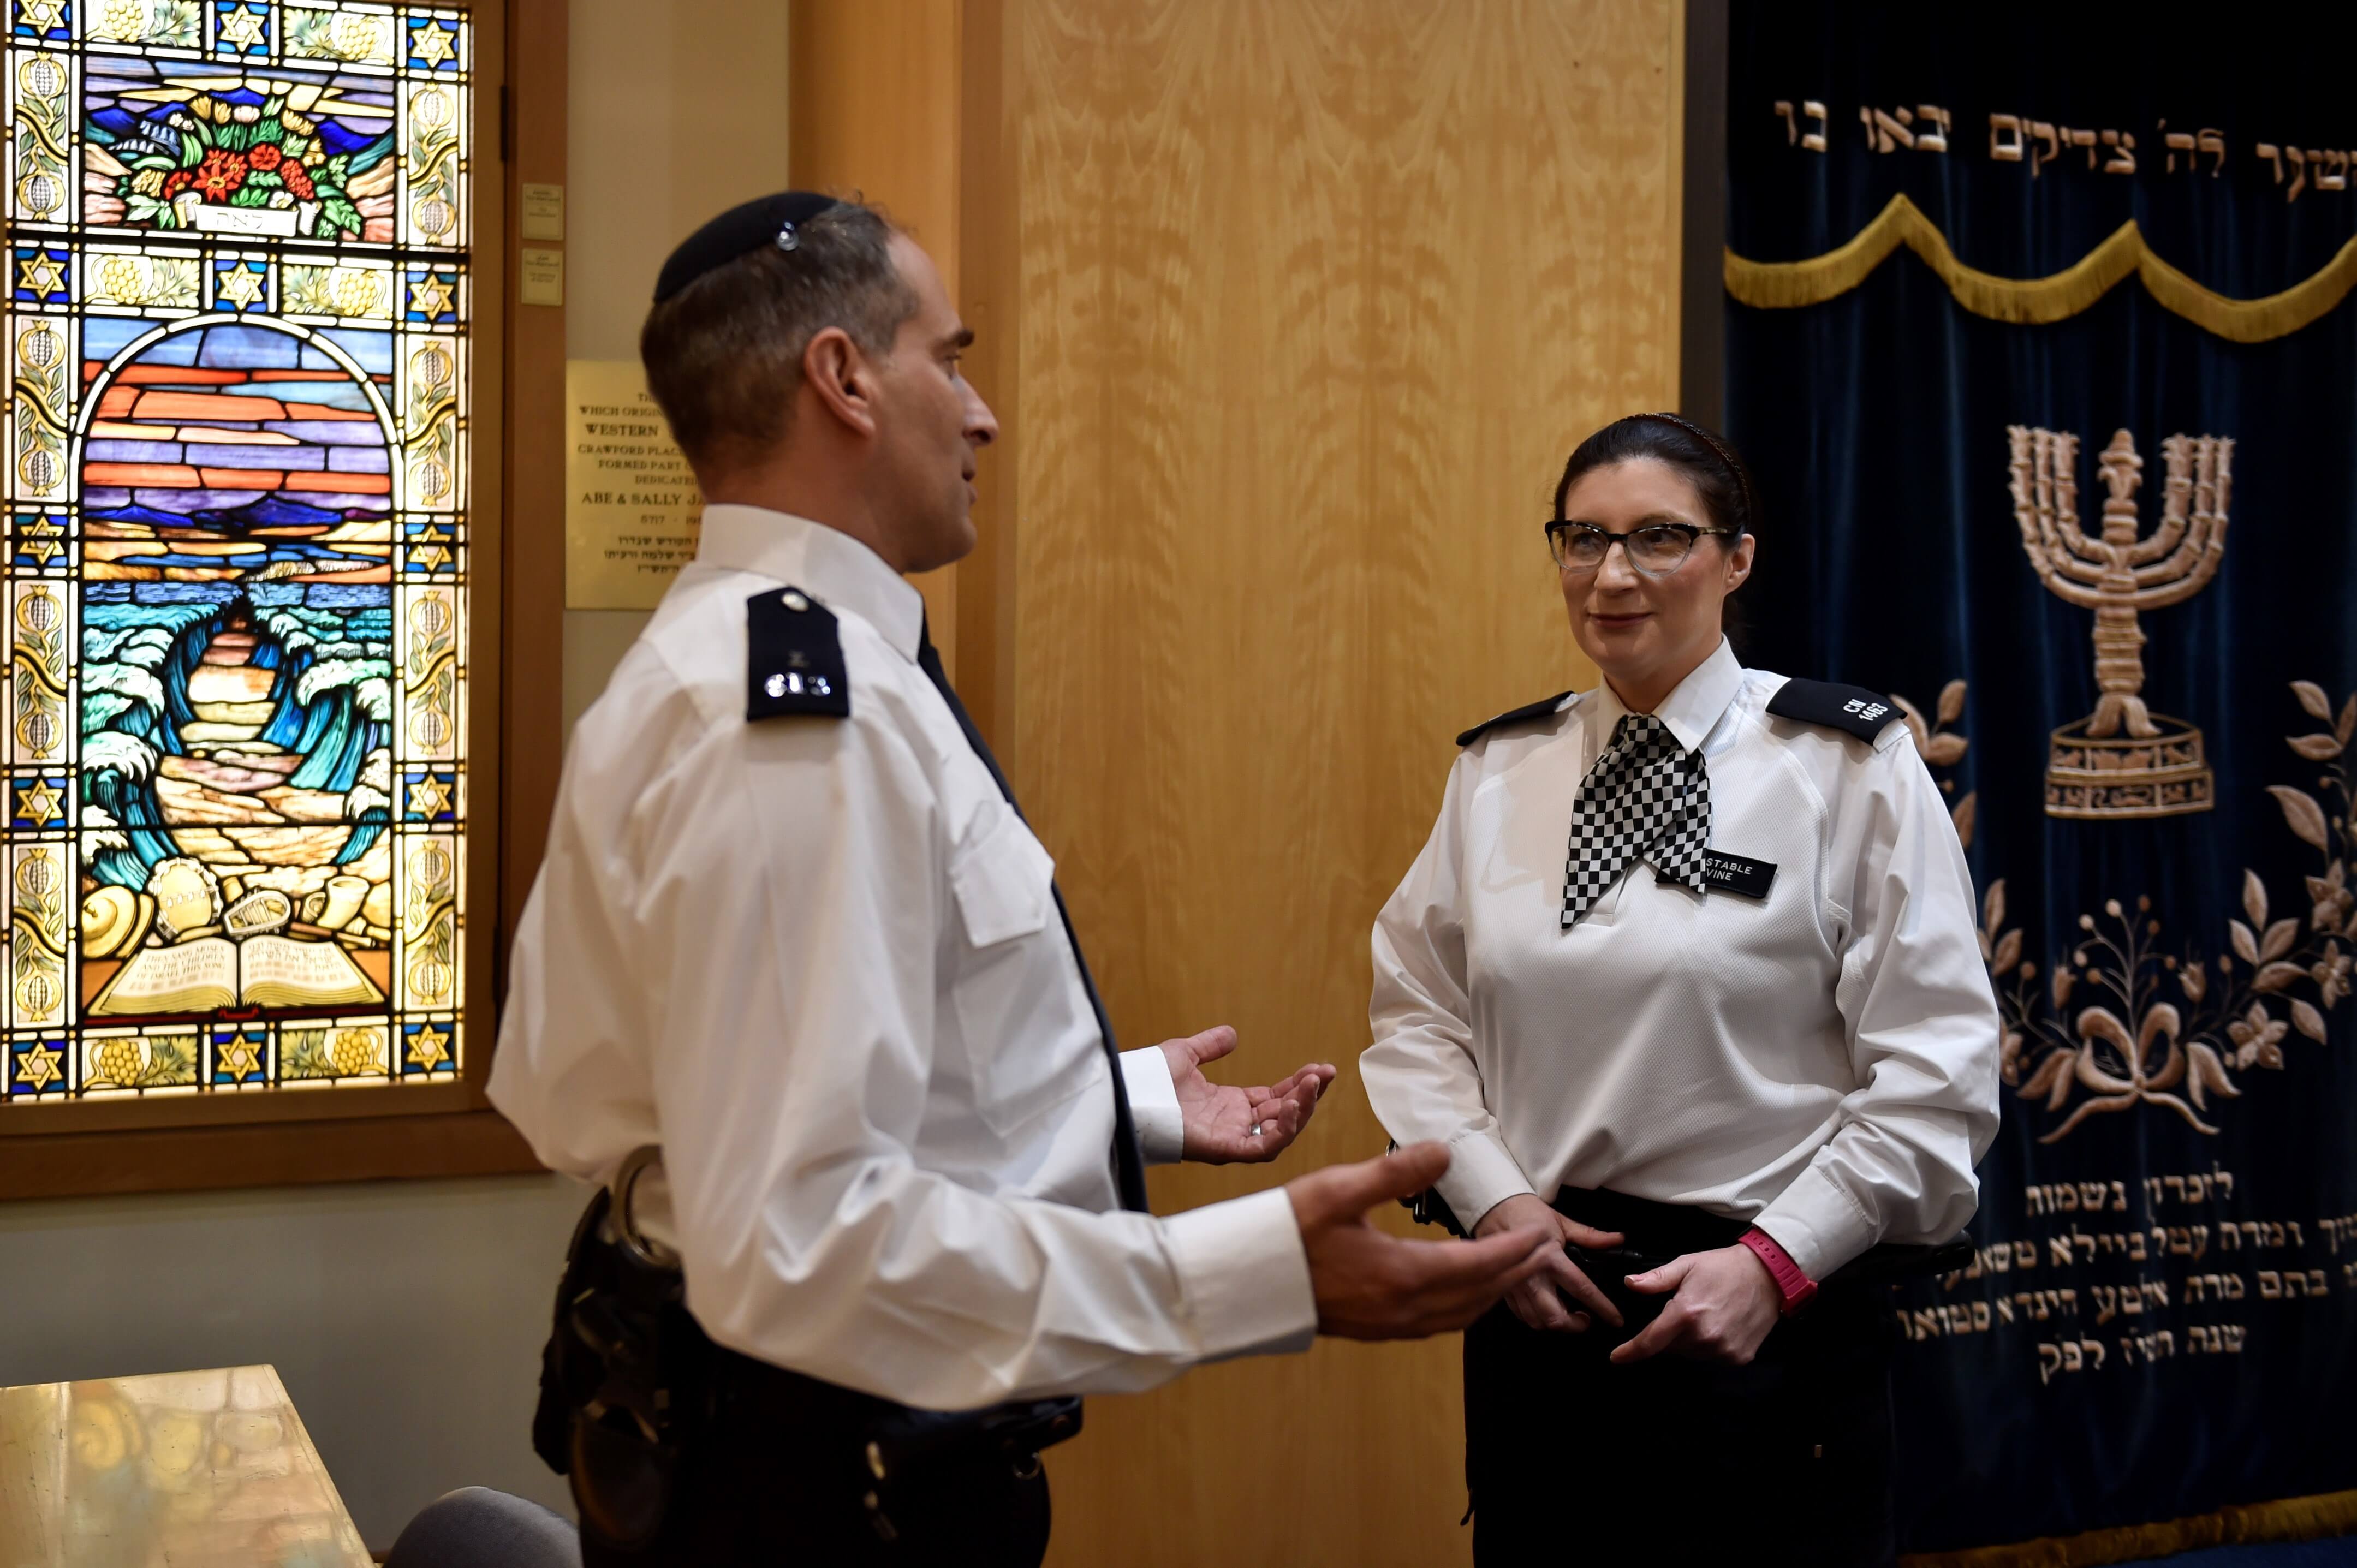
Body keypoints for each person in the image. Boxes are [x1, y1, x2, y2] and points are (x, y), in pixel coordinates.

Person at [488, 192, 1559, 1567]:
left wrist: (1109, 1101)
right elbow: (797, 1237)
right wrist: (1257, 1273)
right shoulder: (793, 715)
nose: (982, 413)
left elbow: (738, 1106)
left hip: (798, 1426)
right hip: (813, 1473)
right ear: (842, 378)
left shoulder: (769, 658)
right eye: (951, 356)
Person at [1360, 413, 2002, 1566]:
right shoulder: (1502, 771)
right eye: (1581, 540)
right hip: (1542, 1308)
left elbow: (1936, 1074)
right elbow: (1415, 1018)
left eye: (1660, 538)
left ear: (1735, 557)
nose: (1611, 575)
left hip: (1770, 1320)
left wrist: (1775, 1265)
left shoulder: (1845, 767)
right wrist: (1496, 1204)